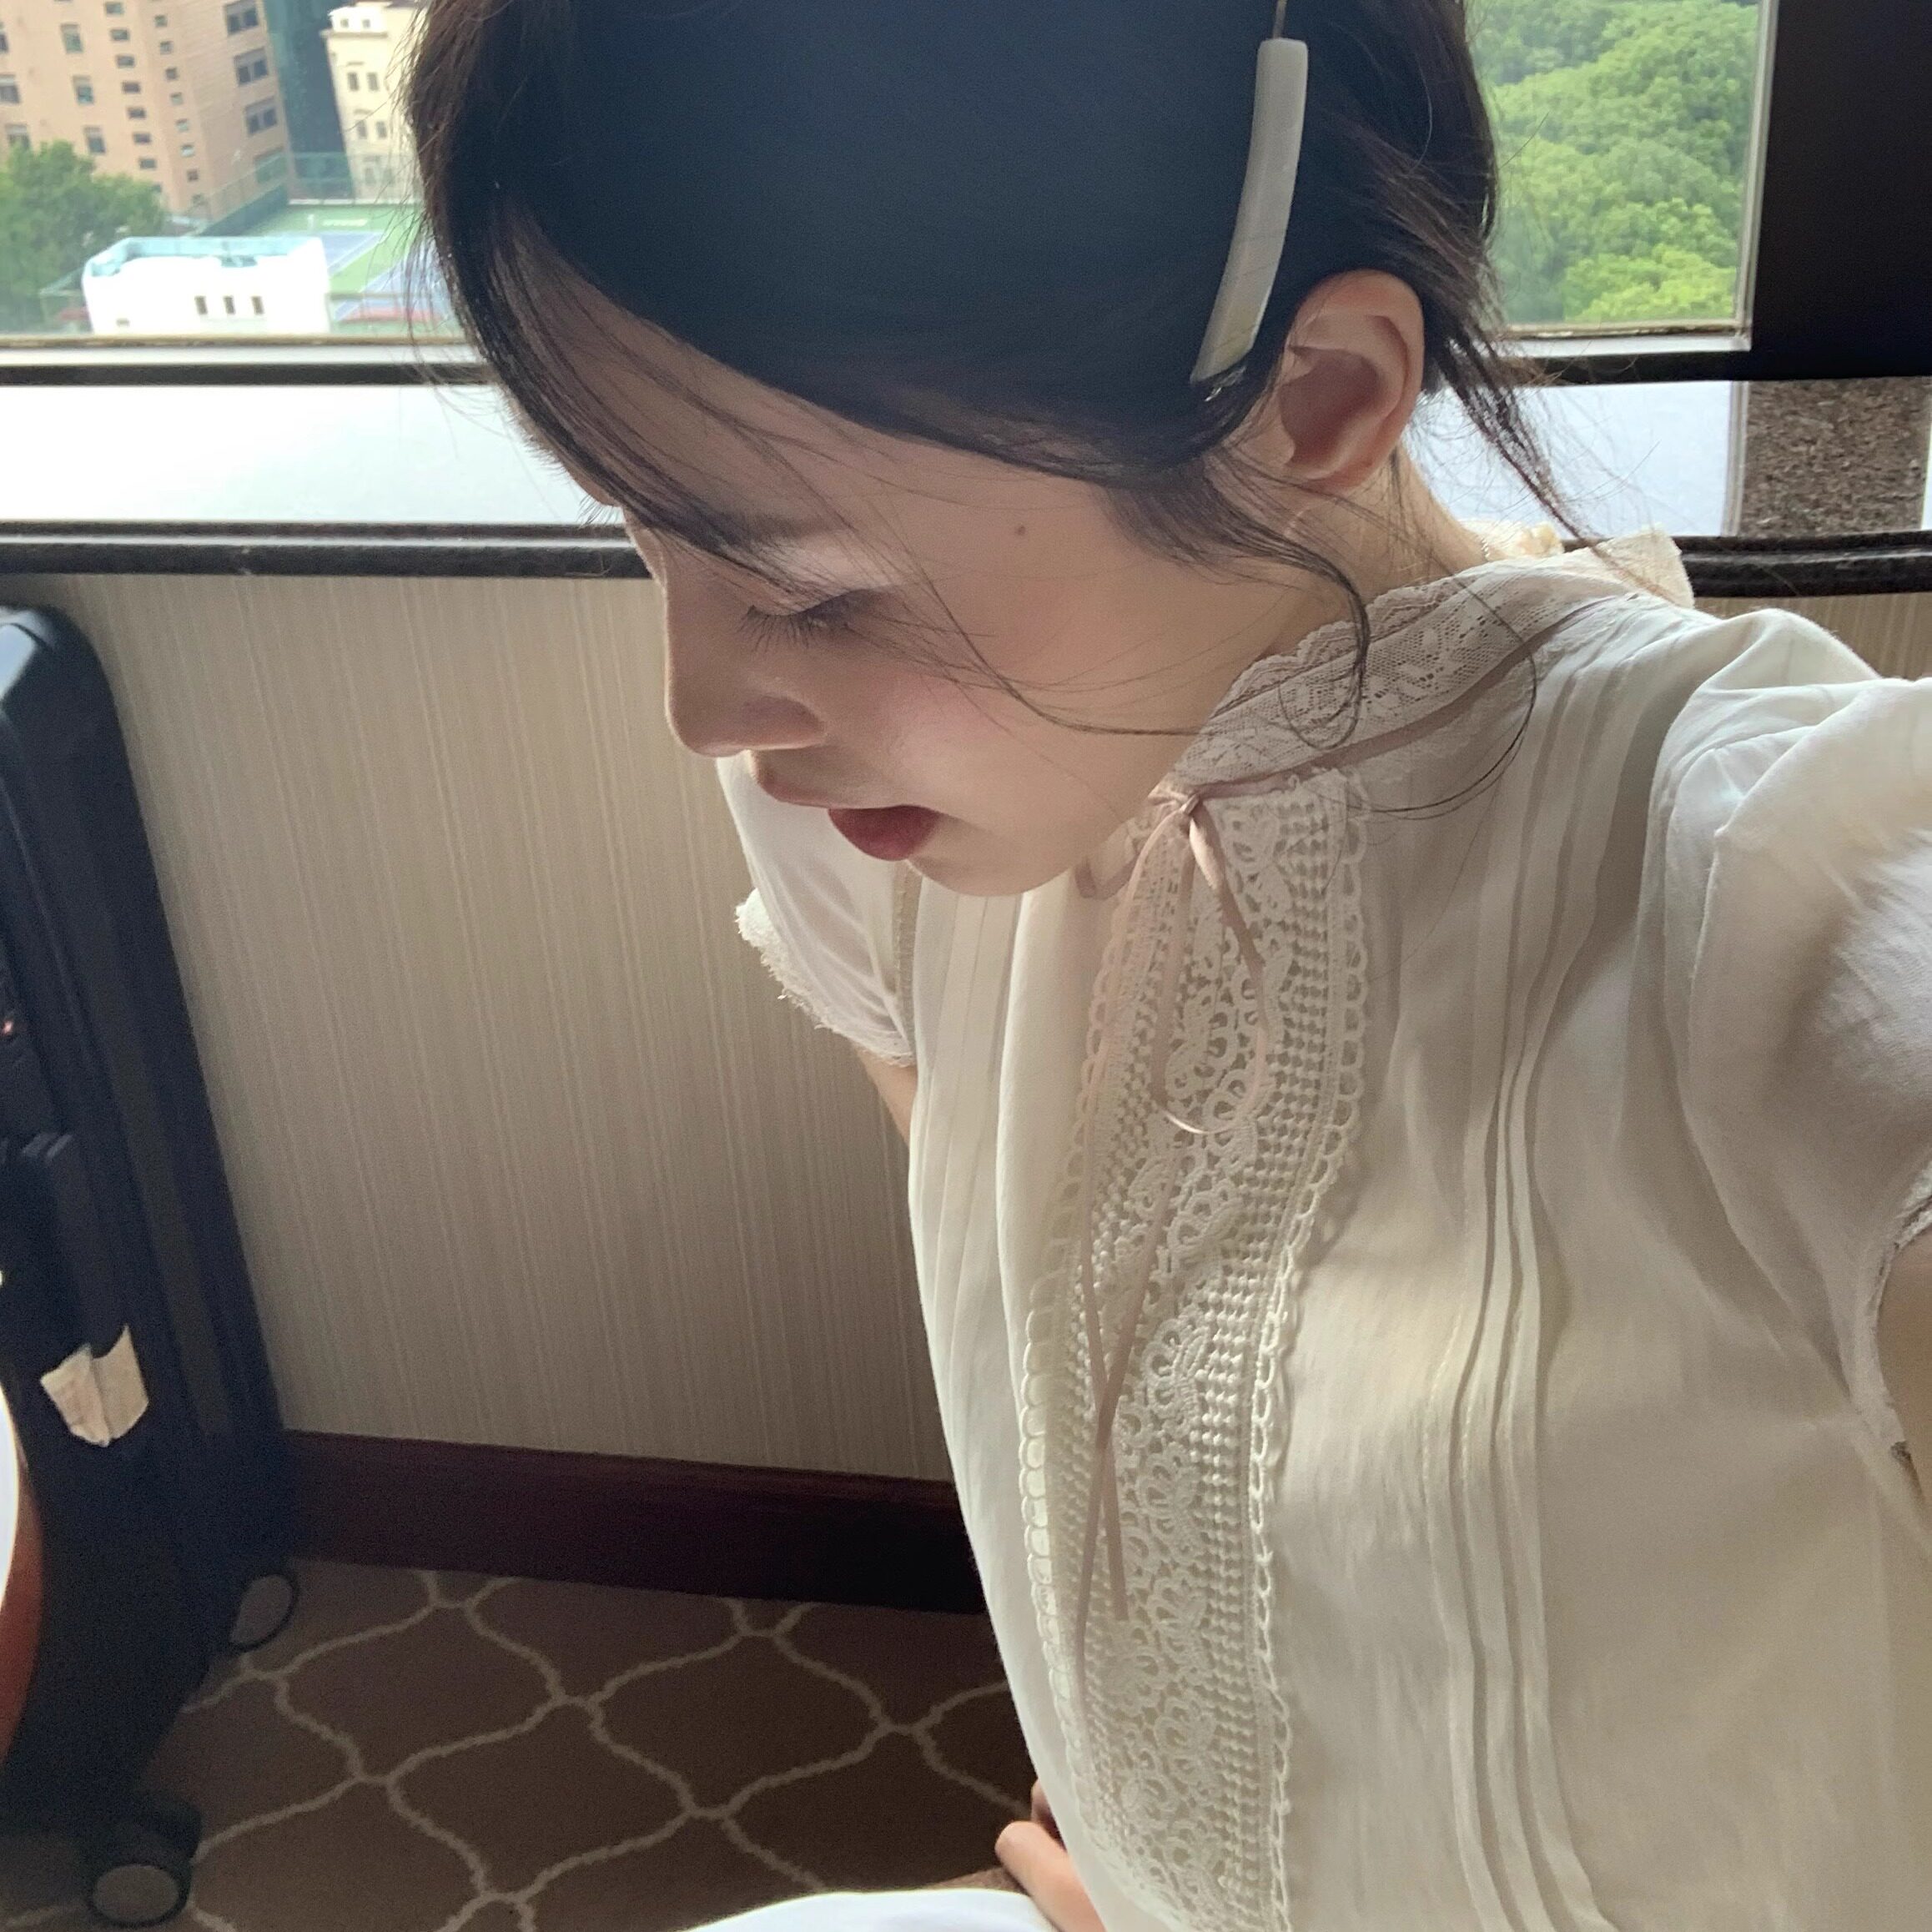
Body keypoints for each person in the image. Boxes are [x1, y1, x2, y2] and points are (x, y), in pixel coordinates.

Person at [404, 2, 1932, 1926]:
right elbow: (1054, 1317)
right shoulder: (876, 818)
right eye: (648, 540)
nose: (706, 706)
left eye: (806, 588)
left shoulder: (1782, 888)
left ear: (1314, 400)